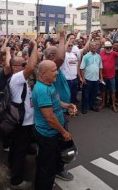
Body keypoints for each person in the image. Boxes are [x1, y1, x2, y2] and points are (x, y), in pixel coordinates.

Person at [32, 60, 77, 190]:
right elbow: (50, 118)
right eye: (53, 70)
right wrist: (64, 132)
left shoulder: (49, 85)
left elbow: (56, 102)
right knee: (46, 166)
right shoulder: (42, 90)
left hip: (53, 133)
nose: (57, 72)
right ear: (43, 73)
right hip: (47, 134)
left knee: (49, 161)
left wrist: (67, 105)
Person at [8, 40, 38, 190]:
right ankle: (16, 181)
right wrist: (36, 47)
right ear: (14, 67)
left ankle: (11, 166)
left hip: (22, 120)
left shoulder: (18, 78)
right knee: (21, 150)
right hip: (22, 122)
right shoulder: (16, 78)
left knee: (16, 147)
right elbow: (32, 66)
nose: (26, 66)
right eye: (23, 65)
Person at [80, 41, 103, 114]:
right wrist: (83, 79)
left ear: (97, 47)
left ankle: (92, 106)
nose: (94, 47)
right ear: (89, 47)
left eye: (95, 45)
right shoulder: (86, 56)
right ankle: (84, 108)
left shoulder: (98, 56)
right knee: (85, 94)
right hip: (87, 79)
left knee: (94, 94)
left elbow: (100, 68)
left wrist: (101, 78)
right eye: (92, 46)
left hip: (96, 79)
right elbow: (82, 68)